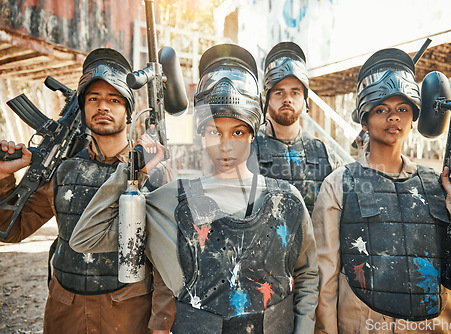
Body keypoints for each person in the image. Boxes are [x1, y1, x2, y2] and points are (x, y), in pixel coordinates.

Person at [69, 43, 319, 334]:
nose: (225, 144)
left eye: (237, 132)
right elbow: (86, 238)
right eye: (214, 131)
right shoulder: (171, 200)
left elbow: (306, 275)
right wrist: (131, 169)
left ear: (253, 134)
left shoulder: (286, 200)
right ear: (202, 134)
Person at [312, 48, 451, 333]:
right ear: (365, 119)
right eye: (381, 109)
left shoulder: (438, 184)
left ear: (414, 118)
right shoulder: (339, 184)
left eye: (402, 109)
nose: (393, 117)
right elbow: (325, 278)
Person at [0, 48, 175, 333]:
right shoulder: (63, 171)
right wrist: (4, 178)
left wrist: (161, 323)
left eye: (114, 100)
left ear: (128, 112)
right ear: (83, 109)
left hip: (127, 315)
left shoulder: (153, 172)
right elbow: (11, 228)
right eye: (93, 99)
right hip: (65, 313)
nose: (102, 106)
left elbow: (168, 260)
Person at [251, 41, 341, 216]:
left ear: (305, 100)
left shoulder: (326, 156)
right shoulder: (247, 150)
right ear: (266, 99)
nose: (287, 99)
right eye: (279, 92)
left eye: (295, 92)